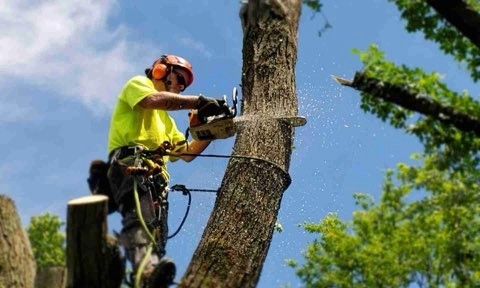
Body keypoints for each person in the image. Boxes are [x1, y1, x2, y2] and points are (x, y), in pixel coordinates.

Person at [106, 54, 225, 287]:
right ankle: (145, 271)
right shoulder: (139, 86)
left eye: (185, 84)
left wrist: (211, 130)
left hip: (157, 182)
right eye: (179, 78)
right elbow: (153, 100)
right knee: (139, 220)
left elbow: (187, 153)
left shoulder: (168, 123)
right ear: (160, 70)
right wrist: (198, 101)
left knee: (157, 237)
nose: (181, 86)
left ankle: (150, 277)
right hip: (130, 165)